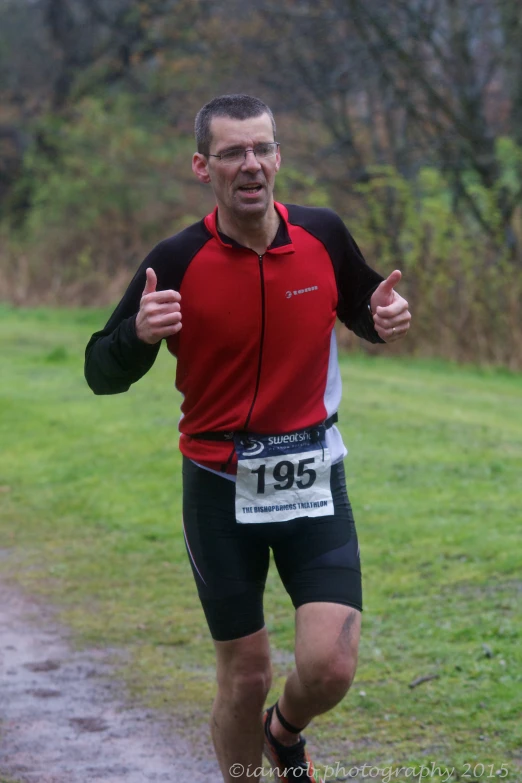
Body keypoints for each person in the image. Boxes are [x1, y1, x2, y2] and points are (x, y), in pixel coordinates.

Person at [85, 94, 411, 782]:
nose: (251, 164)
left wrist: (382, 316)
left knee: (330, 666)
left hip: (312, 473)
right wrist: (138, 337)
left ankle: (284, 733)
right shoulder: (175, 259)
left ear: (278, 157)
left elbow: (358, 305)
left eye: (262, 148)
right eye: (232, 152)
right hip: (218, 485)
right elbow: (99, 370)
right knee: (245, 675)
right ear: (204, 166)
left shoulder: (322, 233)